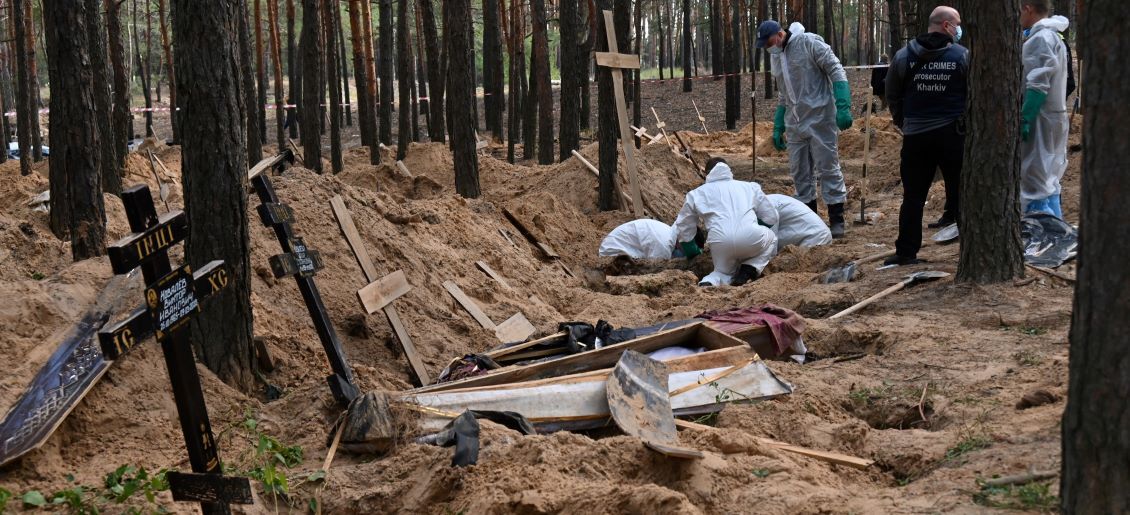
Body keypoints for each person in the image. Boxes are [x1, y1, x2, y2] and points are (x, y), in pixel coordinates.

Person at [883, 6, 969, 266]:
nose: (959, 28)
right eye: (957, 23)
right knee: (961, 191)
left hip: (916, 136)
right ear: (946, 26)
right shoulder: (962, 55)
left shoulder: (903, 56)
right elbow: (972, 92)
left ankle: (906, 252)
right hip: (952, 134)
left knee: (913, 196)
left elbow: (892, 93)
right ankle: (968, 252)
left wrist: (904, 121)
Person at [756, 19, 852, 239]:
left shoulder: (810, 43)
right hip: (795, 122)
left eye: (769, 41)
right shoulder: (776, 56)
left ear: (779, 34)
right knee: (800, 171)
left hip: (820, 117)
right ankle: (811, 219)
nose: (767, 47)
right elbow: (784, 91)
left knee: (827, 166)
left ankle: (837, 218)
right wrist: (779, 122)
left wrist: (843, 104)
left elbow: (835, 69)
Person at [674, 158, 779, 287]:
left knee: (721, 272)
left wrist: (692, 251)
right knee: (772, 238)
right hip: (751, 237)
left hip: (719, 242)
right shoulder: (749, 187)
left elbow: (683, 225)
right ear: (729, 170)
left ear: (707, 174)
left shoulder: (696, 194)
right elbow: (771, 216)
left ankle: (710, 282)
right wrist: (754, 231)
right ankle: (749, 269)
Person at [1019, 1, 1070, 219]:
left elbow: (1038, 84)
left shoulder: (1040, 39)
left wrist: (1025, 117)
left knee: (1034, 179)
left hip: (1041, 118)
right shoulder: (1054, 36)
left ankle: (1042, 238)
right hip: (1054, 116)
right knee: (1049, 178)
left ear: (1028, 8)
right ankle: (1057, 231)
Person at [768, 194, 833, 250]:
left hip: (813, 237)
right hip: (815, 235)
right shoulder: (769, 201)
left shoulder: (766, 206)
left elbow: (769, 243)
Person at [598, 219, 678, 259]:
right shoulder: (664, 244)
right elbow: (657, 269)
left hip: (617, 246)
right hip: (613, 254)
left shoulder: (668, 232)